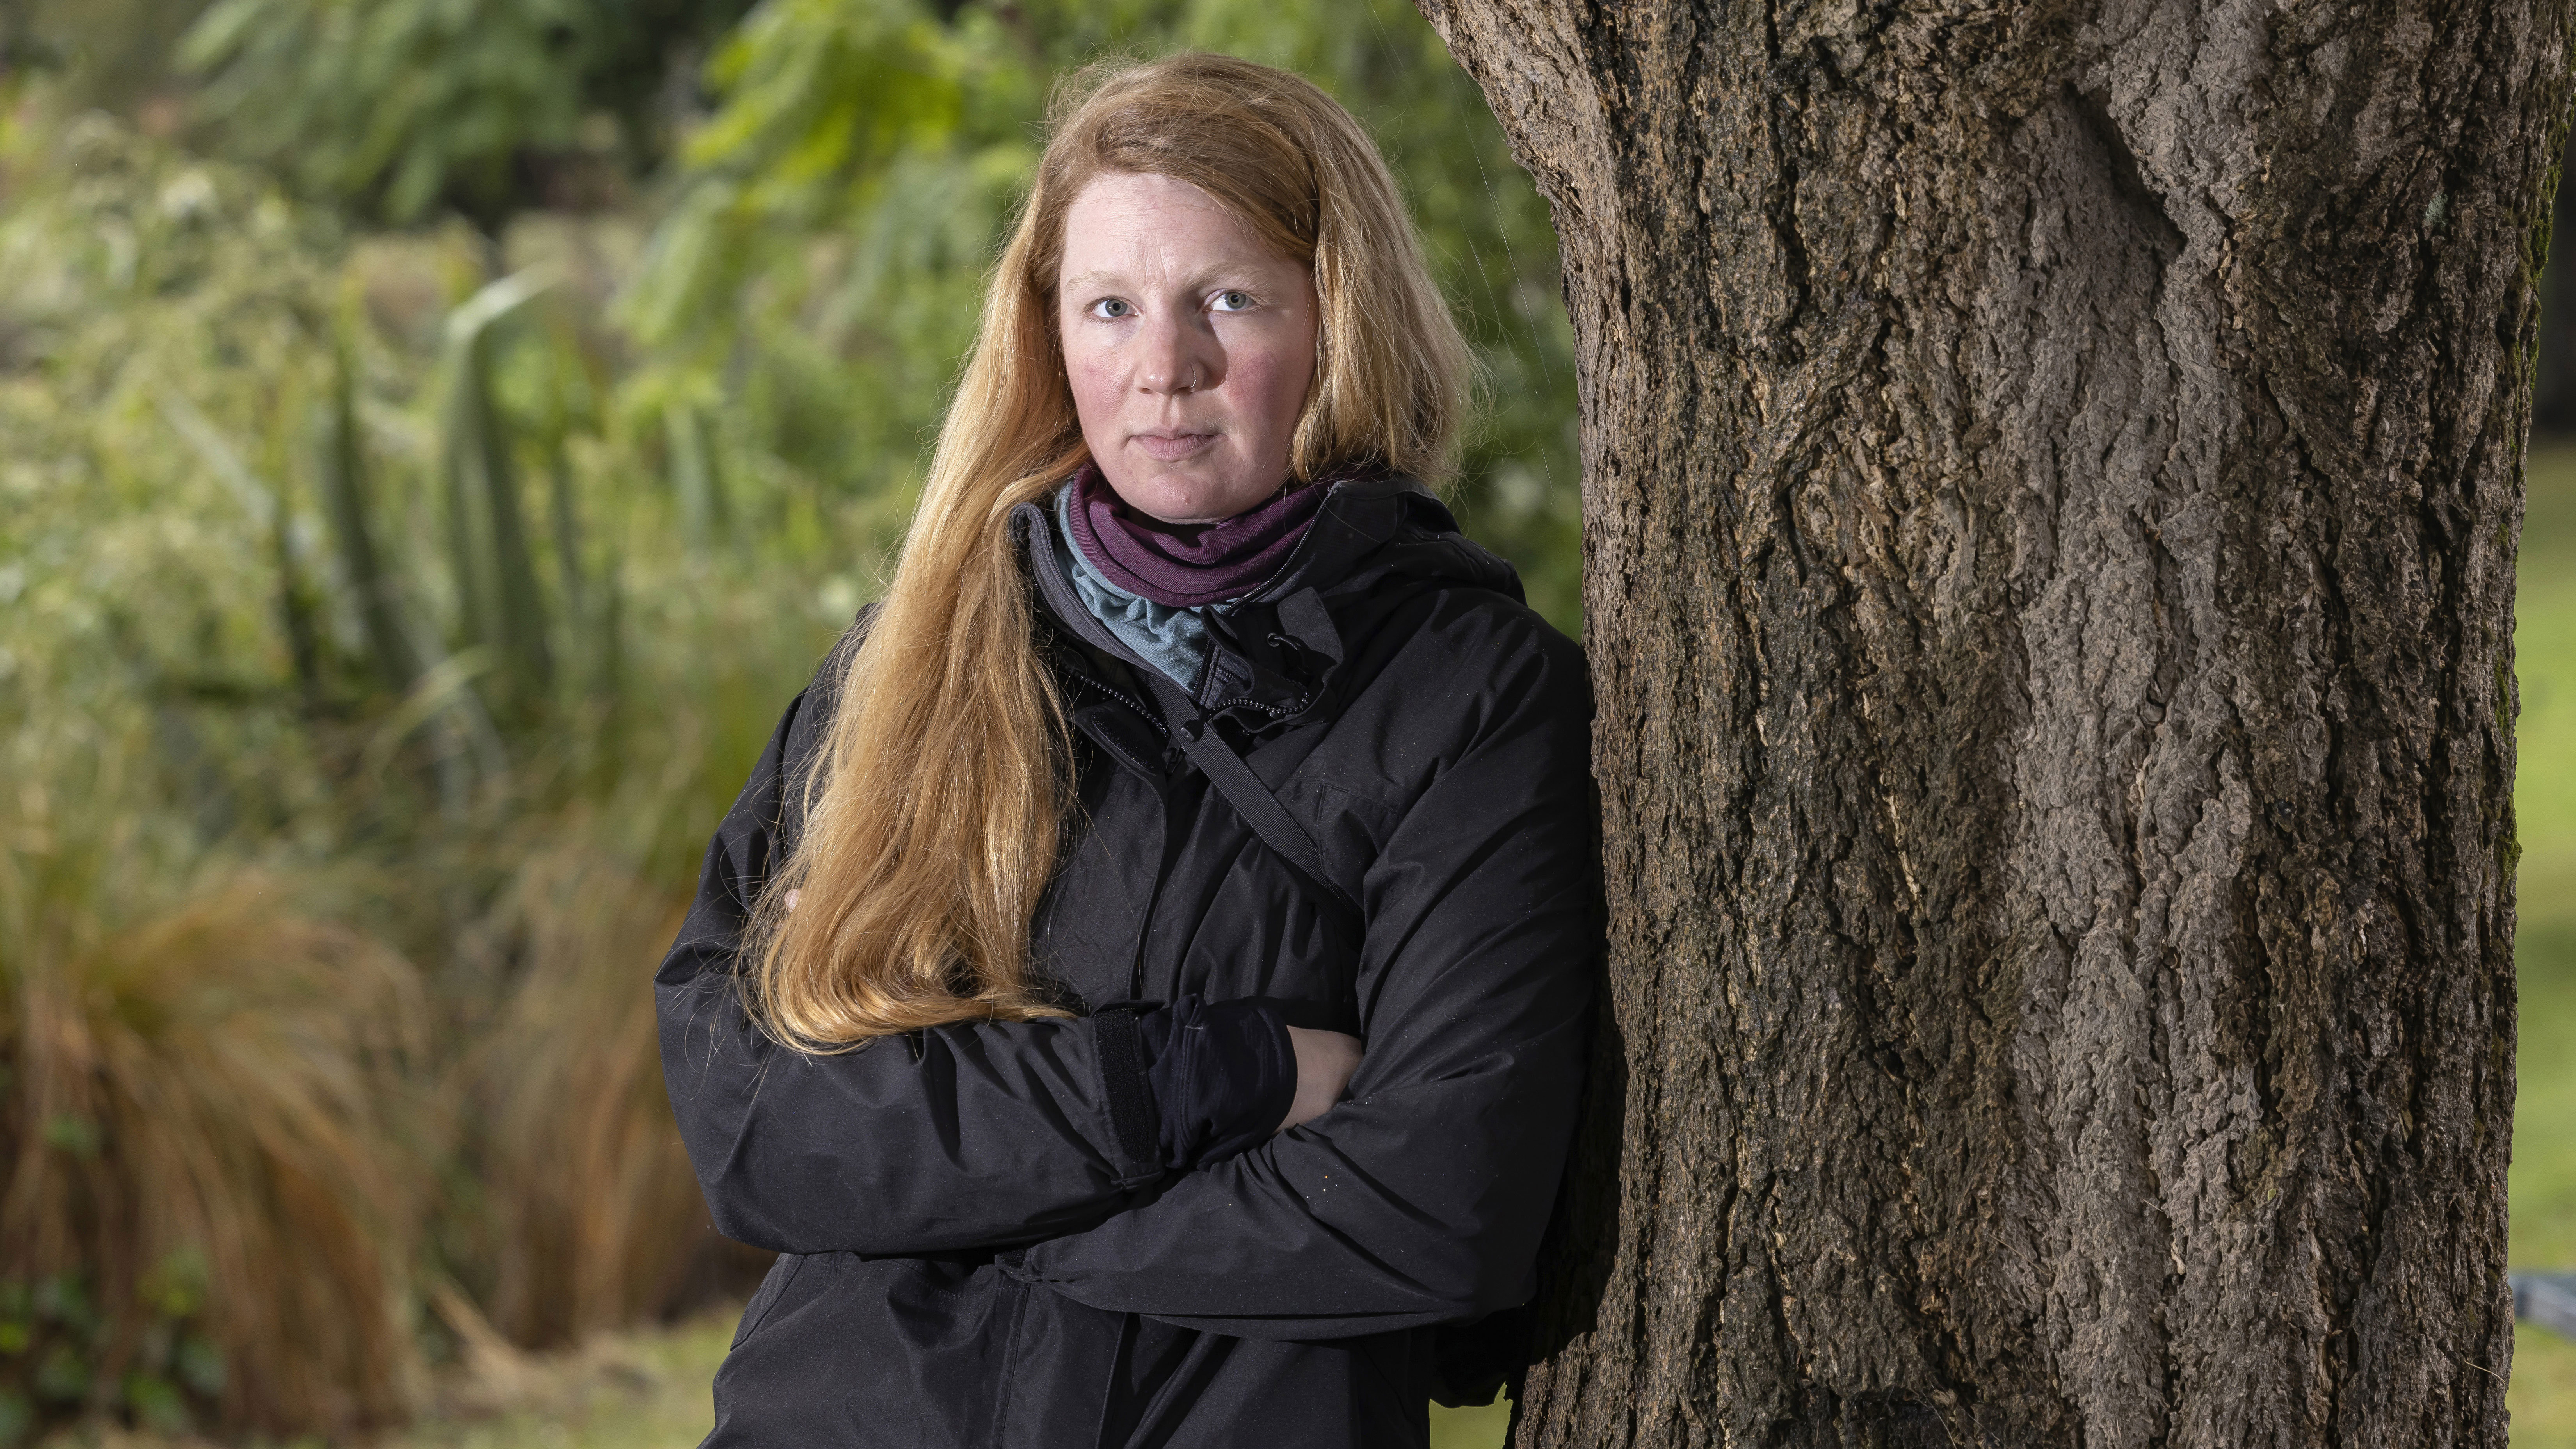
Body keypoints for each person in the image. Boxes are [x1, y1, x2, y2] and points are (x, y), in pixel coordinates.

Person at [656, 51, 1598, 1449]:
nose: (1166, 369)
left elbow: (1435, 1208)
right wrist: (1227, 1081)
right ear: (1049, 336)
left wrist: (961, 1215)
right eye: (1111, 306)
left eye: (1230, 299)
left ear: (1341, 321)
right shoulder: (913, 656)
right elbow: (752, 1127)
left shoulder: (1469, 697)